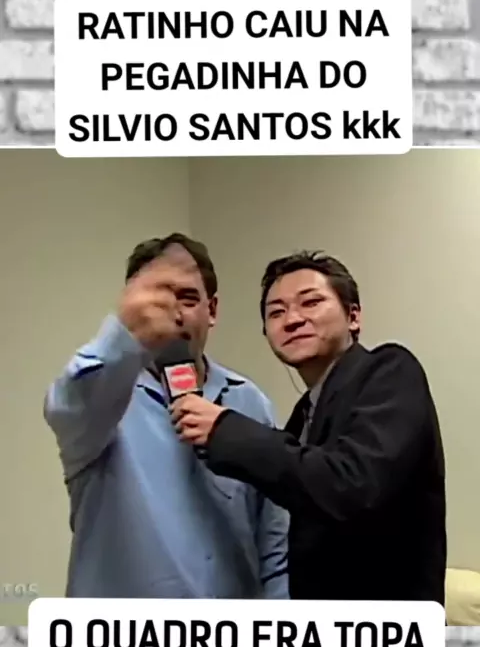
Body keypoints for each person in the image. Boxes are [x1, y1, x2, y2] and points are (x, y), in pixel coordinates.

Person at [171, 250, 447, 605]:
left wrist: (224, 428)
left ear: (353, 316)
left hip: (387, 628)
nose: (292, 319)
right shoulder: (302, 417)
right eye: (276, 312)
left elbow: (351, 484)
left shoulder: (390, 371)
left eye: (311, 302)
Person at [44, 233, 288, 599]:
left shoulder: (249, 402)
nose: (174, 314)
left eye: (188, 298)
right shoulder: (103, 401)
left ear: (212, 310)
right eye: (158, 298)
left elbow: (274, 544)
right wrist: (122, 336)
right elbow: (67, 406)